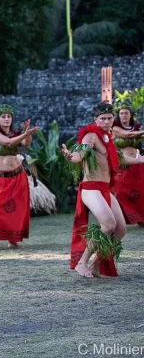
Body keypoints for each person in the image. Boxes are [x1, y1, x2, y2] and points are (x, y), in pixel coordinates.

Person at [63, 102, 143, 278]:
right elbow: (81, 154)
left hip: (105, 188)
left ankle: (95, 265)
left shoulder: (109, 137)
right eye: (103, 118)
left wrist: (138, 160)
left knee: (121, 229)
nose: (107, 121)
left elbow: (118, 157)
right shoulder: (91, 136)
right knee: (108, 224)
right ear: (95, 120)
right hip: (90, 188)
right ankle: (81, 263)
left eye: (109, 118)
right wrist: (71, 157)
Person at [0, 104, 39, 250]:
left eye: (9, 116)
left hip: (17, 176)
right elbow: (9, 142)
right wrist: (26, 132)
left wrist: (26, 132)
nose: (6, 119)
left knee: (16, 209)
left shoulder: (16, 133)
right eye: (3, 117)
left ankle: (12, 240)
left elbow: (26, 143)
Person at [111, 102, 144, 226]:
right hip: (122, 164)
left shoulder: (137, 129)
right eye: (121, 113)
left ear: (130, 115)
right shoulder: (115, 128)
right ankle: (118, 219)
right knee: (120, 192)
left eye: (126, 113)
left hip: (138, 164)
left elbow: (134, 133)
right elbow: (127, 135)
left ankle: (141, 219)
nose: (123, 115)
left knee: (140, 191)